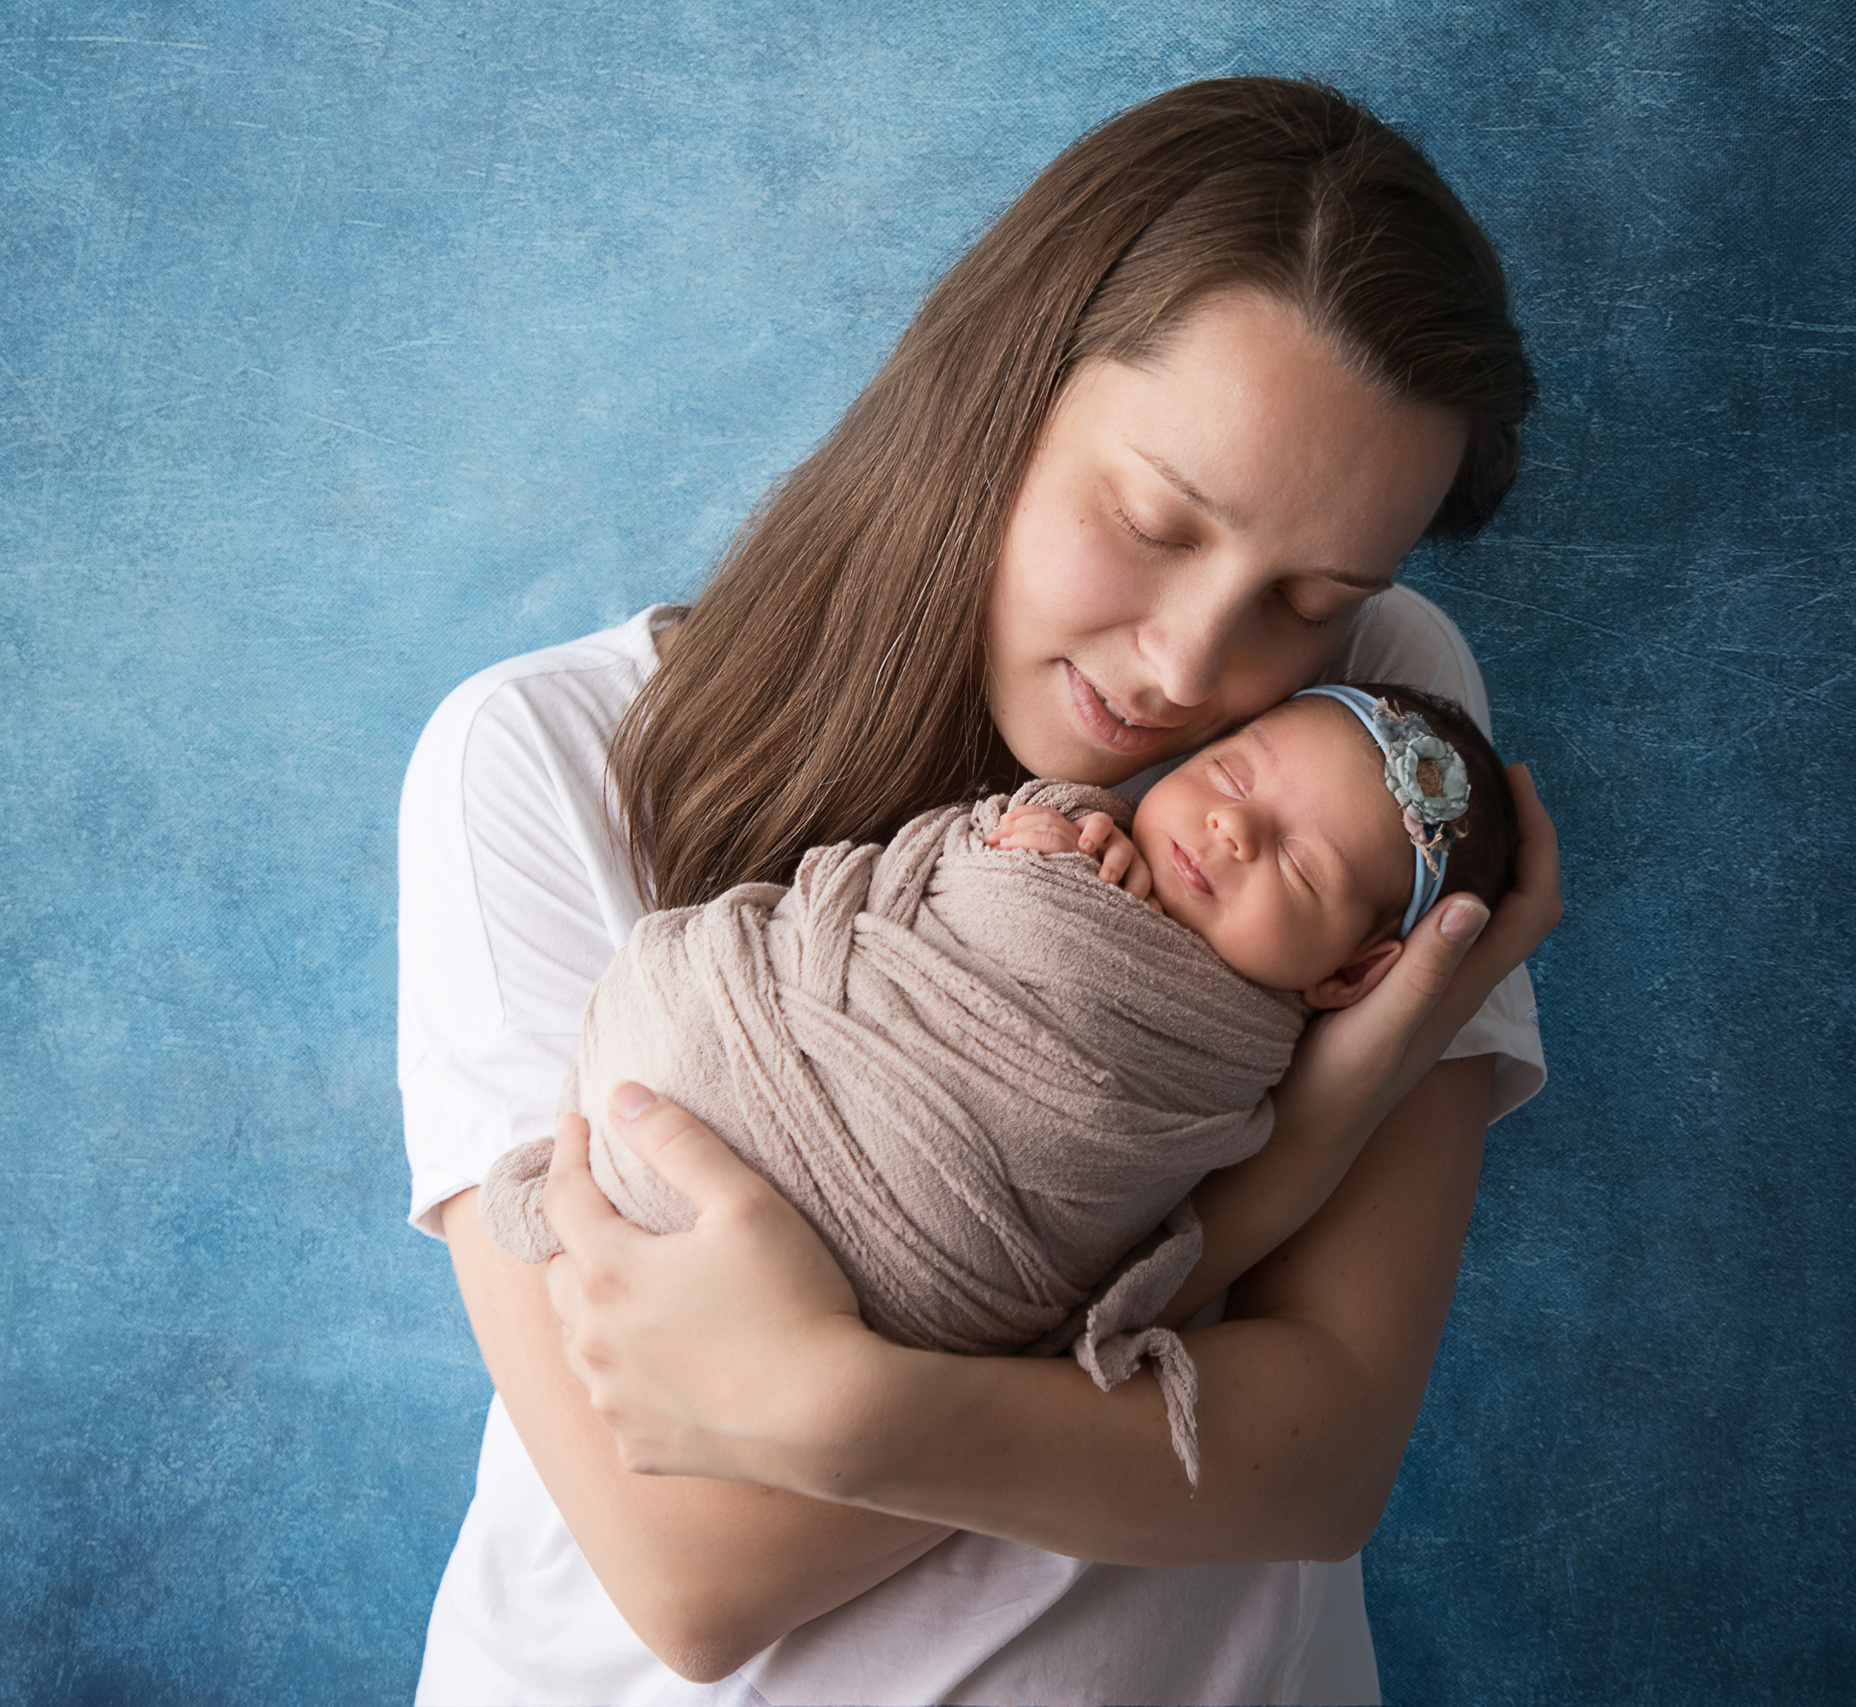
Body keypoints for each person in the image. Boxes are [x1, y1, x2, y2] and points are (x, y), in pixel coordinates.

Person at [400, 76, 1563, 1705]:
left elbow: (1318, 1460)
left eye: (1309, 593)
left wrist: (841, 1410)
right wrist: (1291, 1154)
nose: (1195, 667)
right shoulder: (542, 757)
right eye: (1154, 520)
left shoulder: (1367, 734)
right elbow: (694, 1572)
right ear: (995, 395)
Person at [475, 686, 1518, 1495]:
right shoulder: (520, 739)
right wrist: (1039, 845)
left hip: (914, 1247)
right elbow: (953, 870)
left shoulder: (1232, 1050)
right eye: (1234, 776)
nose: (1233, 833)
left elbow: (1123, 1163)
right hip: (729, 1047)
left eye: (1303, 870)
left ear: (1347, 978)